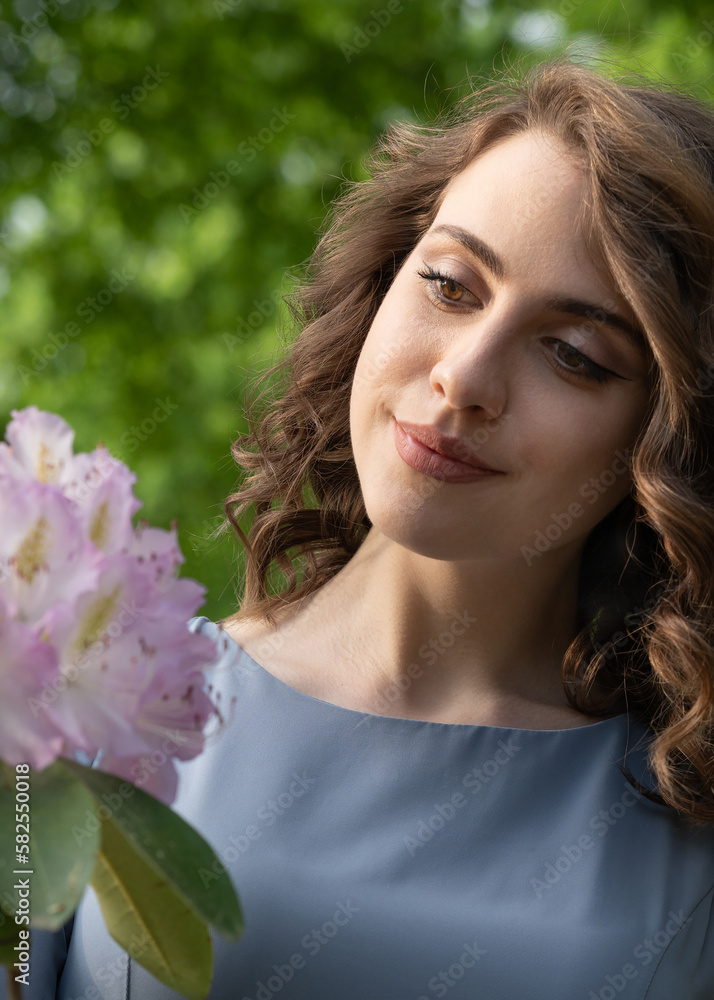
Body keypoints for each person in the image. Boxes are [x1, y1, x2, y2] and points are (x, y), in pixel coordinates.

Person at [12, 54, 714, 999]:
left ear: (666, 436)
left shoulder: (689, 822)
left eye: (575, 355)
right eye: (453, 285)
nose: (464, 378)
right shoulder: (86, 697)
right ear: (382, 284)